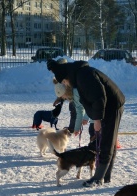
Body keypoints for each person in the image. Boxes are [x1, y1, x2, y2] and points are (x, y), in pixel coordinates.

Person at [47, 58, 125, 187]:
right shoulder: (78, 76)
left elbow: (99, 97)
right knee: (106, 141)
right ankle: (105, 176)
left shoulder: (84, 76)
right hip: (107, 107)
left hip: (112, 107)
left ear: (66, 76)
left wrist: (97, 119)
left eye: (64, 81)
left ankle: (98, 178)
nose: (65, 84)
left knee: (107, 141)